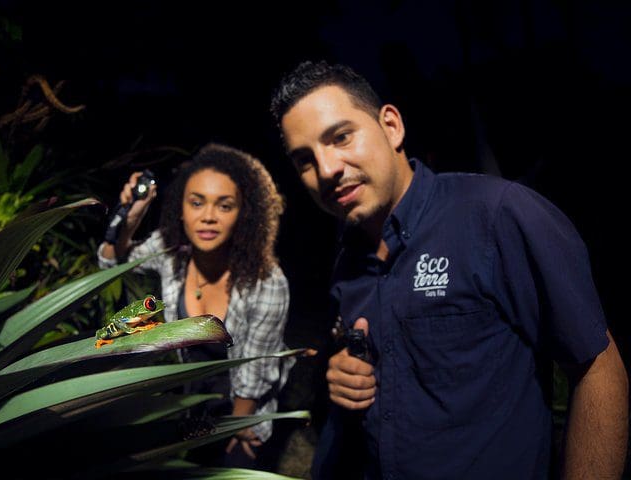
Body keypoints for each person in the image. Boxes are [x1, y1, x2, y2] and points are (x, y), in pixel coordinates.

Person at [269, 60, 628, 479]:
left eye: (341, 137)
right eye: (305, 160)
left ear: (391, 126)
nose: (327, 169)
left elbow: (597, 368)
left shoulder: (497, 216)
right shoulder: (348, 260)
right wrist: (341, 375)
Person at [97, 142, 292, 468]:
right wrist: (131, 215)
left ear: (244, 214)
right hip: (192, 396)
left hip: (242, 404)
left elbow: (254, 373)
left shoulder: (267, 283)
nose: (208, 217)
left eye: (225, 205)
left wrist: (237, 428)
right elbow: (110, 263)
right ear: (181, 209)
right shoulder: (171, 250)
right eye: (197, 202)